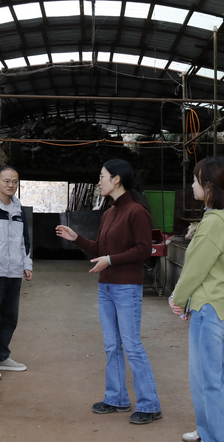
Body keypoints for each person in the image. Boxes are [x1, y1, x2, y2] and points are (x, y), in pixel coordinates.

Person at [55, 159, 162, 424]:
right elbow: (100, 250)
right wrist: (76, 238)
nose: (99, 181)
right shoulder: (109, 213)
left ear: (117, 179)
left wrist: (111, 261)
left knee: (132, 346)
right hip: (106, 287)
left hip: (127, 287)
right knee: (112, 345)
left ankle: (150, 405)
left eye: (102, 176)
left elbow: (143, 249)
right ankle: (116, 398)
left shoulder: (136, 212)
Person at [168, 156, 224, 442]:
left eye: (196, 180)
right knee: (213, 373)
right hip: (217, 305)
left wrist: (178, 297)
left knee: (206, 375)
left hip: (208, 307)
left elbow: (195, 269)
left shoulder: (212, 224)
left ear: (208, 187)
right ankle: (207, 429)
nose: (192, 185)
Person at [0, 166, 33, 379]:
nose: (11, 185)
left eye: (14, 181)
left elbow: (25, 241)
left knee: (10, 317)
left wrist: (27, 264)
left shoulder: (19, 209)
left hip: (14, 272)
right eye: (6, 181)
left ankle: (2, 357)